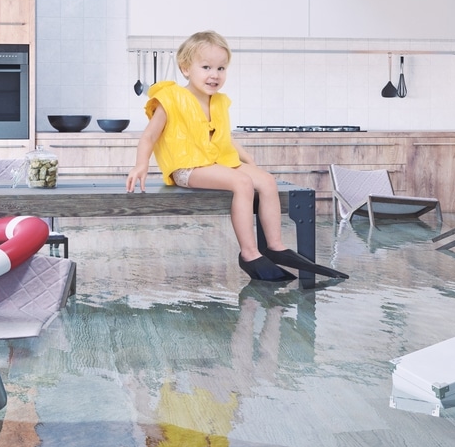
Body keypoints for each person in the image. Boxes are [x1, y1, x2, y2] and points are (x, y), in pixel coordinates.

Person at [126, 31, 347, 282]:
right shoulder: (171, 98)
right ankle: (250, 253)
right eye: (206, 67)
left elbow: (224, 138)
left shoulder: (218, 102)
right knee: (241, 183)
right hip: (187, 167)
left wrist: (248, 159)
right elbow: (149, 136)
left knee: (266, 180)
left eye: (221, 68)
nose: (215, 74)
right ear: (186, 68)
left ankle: (275, 246)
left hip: (217, 162)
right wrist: (140, 164)